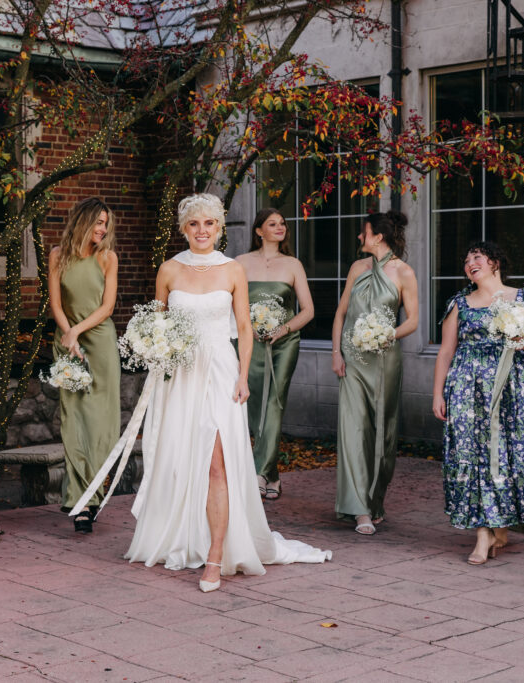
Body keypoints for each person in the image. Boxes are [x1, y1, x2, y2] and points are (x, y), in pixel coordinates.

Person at [126, 193, 331, 592]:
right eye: (194, 224)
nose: (202, 231)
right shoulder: (168, 270)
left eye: (210, 224)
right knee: (185, 460)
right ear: (183, 229)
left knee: (218, 463)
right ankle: (186, 538)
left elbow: (244, 327)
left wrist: (242, 377)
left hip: (221, 371)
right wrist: (154, 350)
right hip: (182, 376)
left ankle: (216, 556)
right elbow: (157, 326)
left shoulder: (233, 269)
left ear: (219, 228)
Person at [432, 242, 524, 564]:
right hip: (466, 389)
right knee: (473, 453)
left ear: (494, 262)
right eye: (466, 260)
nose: (469, 263)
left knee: (504, 454)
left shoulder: (523, 299)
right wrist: (438, 393)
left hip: (511, 389)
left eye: (476, 257)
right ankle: (483, 533)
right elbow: (446, 351)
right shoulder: (459, 303)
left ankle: (500, 522)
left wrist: (518, 341)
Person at [332, 211, 419, 536]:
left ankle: (375, 499)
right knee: (353, 430)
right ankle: (359, 510)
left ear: (378, 236)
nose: (359, 237)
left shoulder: (404, 272)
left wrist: (386, 334)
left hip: (384, 359)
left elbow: (411, 320)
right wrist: (336, 352)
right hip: (353, 361)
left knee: (382, 431)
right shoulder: (357, 268)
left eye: (363, 232)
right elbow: (340, 314)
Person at [48, 198, 121, 534]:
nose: (102, 229)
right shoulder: (57, 256)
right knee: (73, 420)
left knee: (100, 424)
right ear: (82, 221)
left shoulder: (108, 258)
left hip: (100, 343)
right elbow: (56, 304)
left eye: (106, 223)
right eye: (97, 222)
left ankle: (95, 493)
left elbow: (107, 308)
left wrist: (78, 330)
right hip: (67, 343)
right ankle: (79, 502)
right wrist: (68, 333)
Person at [235, 208, 314, 500]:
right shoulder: (240, 263)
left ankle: (257, 473)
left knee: (274, 404)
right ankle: (272, 475)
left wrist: (283, 330)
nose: (280, 227)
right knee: (255, 408)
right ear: (259, 231)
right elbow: (230, 302)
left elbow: (308, 310)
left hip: (283, 343)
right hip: (249, 342)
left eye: (282, 223)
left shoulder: (293, 264)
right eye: (272, 223)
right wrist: (247, 327)